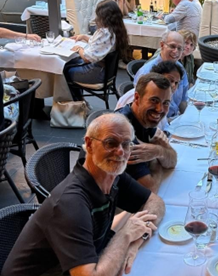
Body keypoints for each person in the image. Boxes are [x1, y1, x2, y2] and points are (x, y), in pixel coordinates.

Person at [2, 113, 166, 276]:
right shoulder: (71, 203)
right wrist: (125, 235)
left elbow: (155, 202)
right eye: (111, 143)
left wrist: (136, 241)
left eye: (126, 144)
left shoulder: (113, 176)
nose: (120, 152)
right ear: (89, 145)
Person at [117, 73, 177, 193]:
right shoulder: (123, 131)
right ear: (137, 98)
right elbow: (150, 188)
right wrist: (156, 162)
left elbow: (172, 161)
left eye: (166, 103)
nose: (160, 109)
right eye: (154, 100)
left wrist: (157, 151)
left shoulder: (143, 119)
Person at [64, 0, 129, 102]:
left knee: (64, 71)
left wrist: (79, 49)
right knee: (71, 64)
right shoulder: (115, 30)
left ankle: (76, 104)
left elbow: (87, 58)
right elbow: (100, 45)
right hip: (106, 72)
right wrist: (84, 37)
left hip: (97, 73)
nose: (96, 18)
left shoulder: (104, 32)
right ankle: (79, 101)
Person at [133, 31, 188, 118]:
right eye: (172, 46)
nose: (175, 51)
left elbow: (183, 100)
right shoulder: (147, 73)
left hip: (175, 118)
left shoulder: (179, 68)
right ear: (162, 45)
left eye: (179, 48)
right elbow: (142, 107)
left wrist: (186, 118)